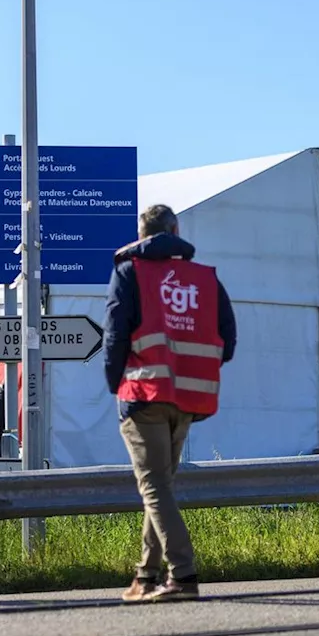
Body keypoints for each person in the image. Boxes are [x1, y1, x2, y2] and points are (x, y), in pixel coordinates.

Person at [104, 204, 237, 602]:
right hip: (189, 398)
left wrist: (117, 386)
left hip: (143, 394)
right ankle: (146, 577)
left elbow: (115, 336)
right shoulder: (205, 279)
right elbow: (227, 340)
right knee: (159, 487)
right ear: (175, 230)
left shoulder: (130, 273)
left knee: (154, 487)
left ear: (141, 235)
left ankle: (183, 574)